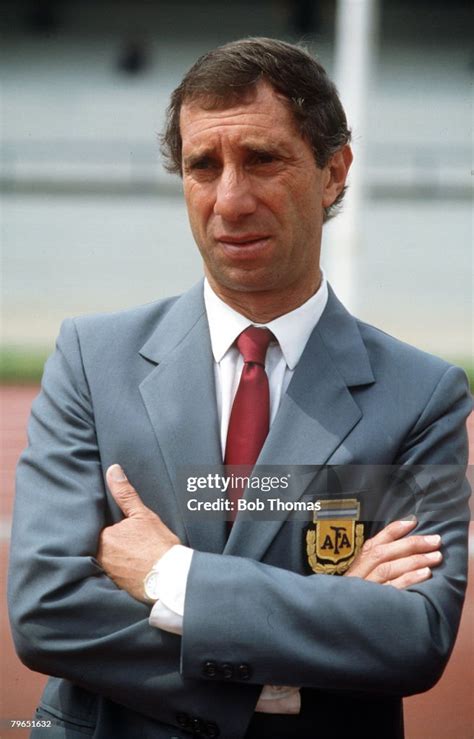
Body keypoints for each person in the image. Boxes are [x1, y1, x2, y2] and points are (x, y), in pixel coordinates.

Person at [8, 38, 471, 739]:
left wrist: (171, 575)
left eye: (262, 159)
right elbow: (46, 609)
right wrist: (288, 667)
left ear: (334, 172)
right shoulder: (91, 360)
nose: (230, 198)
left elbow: (413, 634)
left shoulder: (424, 395)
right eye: (203, 165)